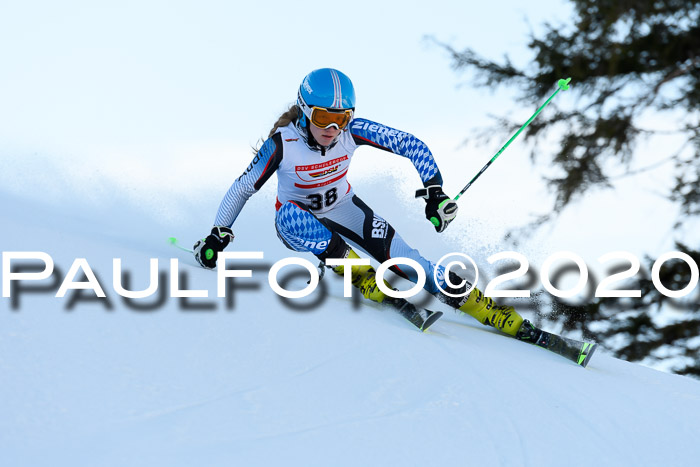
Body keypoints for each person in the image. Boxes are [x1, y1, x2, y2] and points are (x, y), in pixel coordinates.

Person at [193, 68, 528, 338]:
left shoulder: (351, 130)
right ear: (306, 111)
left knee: (412, 264)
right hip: (298, 221)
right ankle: (360, 274)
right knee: (291, 217)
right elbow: (242, 188)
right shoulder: (284, 143)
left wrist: (434, 191)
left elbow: (411, 145)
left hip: (345, 207)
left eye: (343, 117)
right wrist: (218, 233)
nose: (333, 128)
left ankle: (491, 311)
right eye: (324, 118)